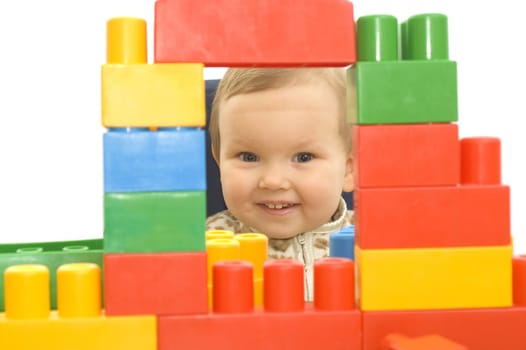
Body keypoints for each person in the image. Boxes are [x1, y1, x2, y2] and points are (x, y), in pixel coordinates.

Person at [206, 68, 354, 301]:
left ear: (349, 168)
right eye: (248, 157)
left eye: (303, 157)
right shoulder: (203, 246)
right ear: (219, 161)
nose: (273, 181)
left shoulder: (374, 243)